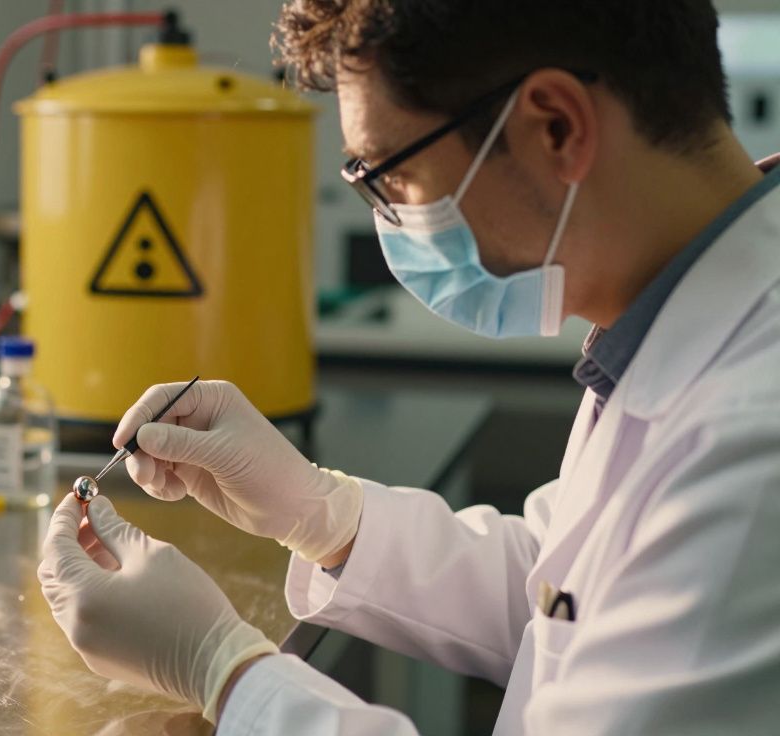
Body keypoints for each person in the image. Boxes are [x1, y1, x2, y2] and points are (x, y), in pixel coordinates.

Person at [39, 0, 780, 732]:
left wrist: (223, 671)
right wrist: (323, 513)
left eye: (386, 174)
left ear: (555, 125)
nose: (386, 217)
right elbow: (563, 595)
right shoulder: (685, 320)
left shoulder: (752, 447)